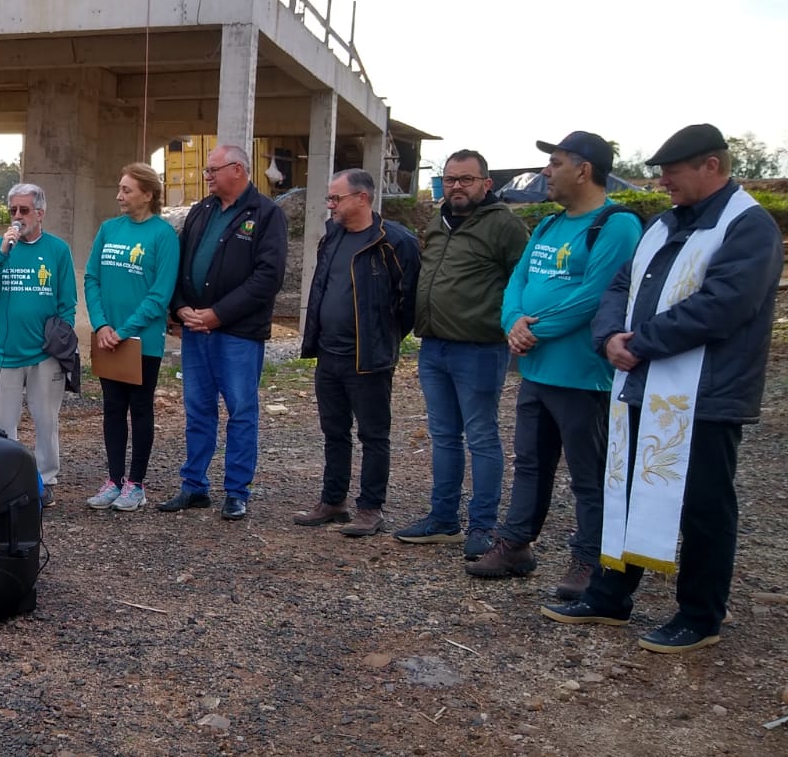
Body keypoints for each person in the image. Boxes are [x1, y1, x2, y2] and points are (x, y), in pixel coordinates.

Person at [542, 124, 781, 654]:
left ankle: (699, 615)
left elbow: (723, 305)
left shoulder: (748, 228)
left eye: (672, 172)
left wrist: (642, 342)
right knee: (625, 490)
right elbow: (620, 286)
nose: (663, 181)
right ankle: (609, 596)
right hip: (642, 382)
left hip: (708, 393)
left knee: (702, 505)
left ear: (711, 167)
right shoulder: (663, 224)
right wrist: (609, 338)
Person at [467, 133, 641, 598]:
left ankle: (590, 561)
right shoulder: (548, 226)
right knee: (530, 463)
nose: (546, 170)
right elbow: (518, 280)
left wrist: (532, 330)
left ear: (584, 170)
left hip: (583, 376)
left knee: (589, 474)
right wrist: (512, 321)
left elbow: (598, 295)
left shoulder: (616, 225)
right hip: (537, 372)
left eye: (556, 162)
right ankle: (516, 544)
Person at [393, 150, 529, 555]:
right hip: (434, 347)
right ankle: (443, 519)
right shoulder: (439, 222)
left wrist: (509, 323)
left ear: (486, 184)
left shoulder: (504, 225)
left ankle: (482, 526)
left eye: (466, 179)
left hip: (479, 349)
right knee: (444, 437)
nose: (457, 186)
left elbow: (521, 282)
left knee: (482, 438)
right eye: (451, 178)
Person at [159, 145, 287, 520]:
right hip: (197, 331)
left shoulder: (267, 214)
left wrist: (218, 314)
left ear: (238, 170)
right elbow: (181, 263)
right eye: (207, 171)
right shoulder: (202, 211)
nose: (207, 176)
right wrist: (180, 307)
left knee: (241, 410)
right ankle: (194, 485)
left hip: (238, 334)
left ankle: (236, 490)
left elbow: (268, 277)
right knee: (198, 410)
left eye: (213, 170)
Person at [293, 169, 420, 536]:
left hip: (368, 358)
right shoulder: (332, 237)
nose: (329, 204)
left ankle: (370, 507)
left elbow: (408, 301)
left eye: (336, 198)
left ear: (362, 198)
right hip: (329, 353)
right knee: (334, 431)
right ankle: (334, 501)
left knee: (373, 434)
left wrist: (384, 336)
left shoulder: (394, 242)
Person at [0, 182, 77, 507]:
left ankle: (45, 480)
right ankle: (10, 481)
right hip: (4, 353)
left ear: (40, 213)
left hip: (44, 354)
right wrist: (2, 252)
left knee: (46, 420)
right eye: (13, 211)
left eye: (24, 210)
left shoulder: (58, 250)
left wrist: (59, 339)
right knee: (2, 425)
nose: (17, 217)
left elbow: (68, 303)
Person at [83, 164, 180, 512]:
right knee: (111, 409)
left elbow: (160, 293)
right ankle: (113, 480)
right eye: (120, 189)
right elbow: (92, 278)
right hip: (108, 338)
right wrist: (101, 325)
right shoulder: (109, 229)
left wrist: (124, 330)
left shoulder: (163, 236)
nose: (119, 195)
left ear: (148, 194)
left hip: (142, 342)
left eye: (127, 190)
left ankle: (135, 484)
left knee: (139, 409)